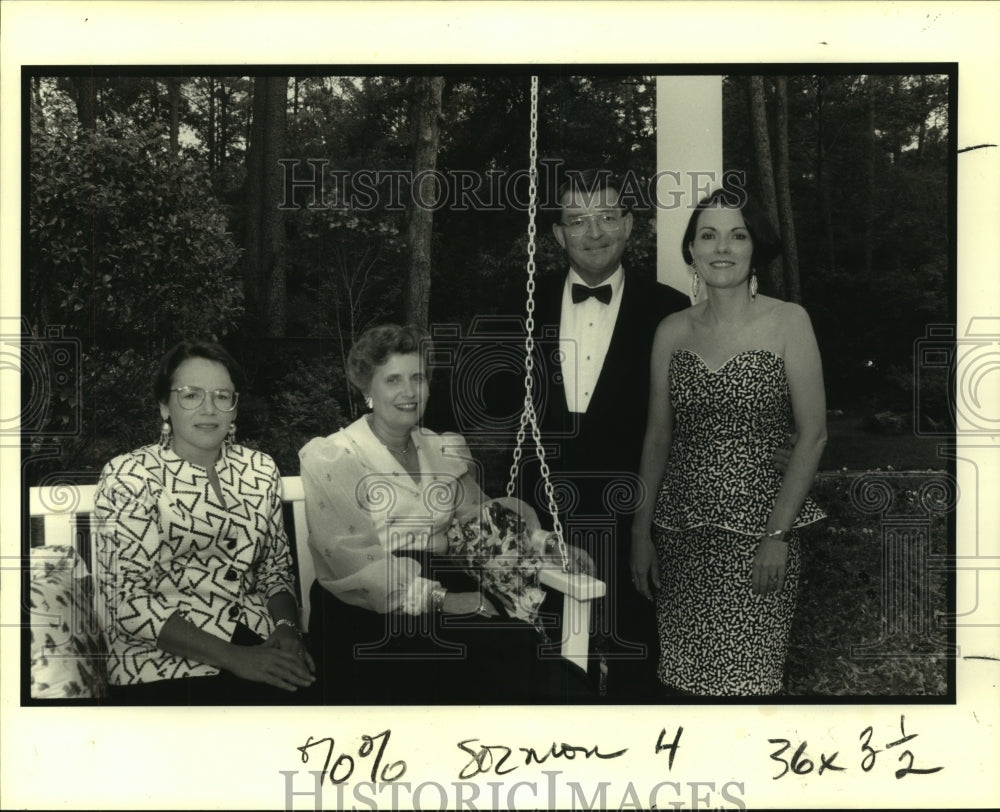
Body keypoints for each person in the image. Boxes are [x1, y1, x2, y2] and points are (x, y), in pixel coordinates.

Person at [299, 324, 594, 704]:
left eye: (417, 378)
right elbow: (348, 560)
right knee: (505, 651)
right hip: (370, 607)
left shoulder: (442, 448)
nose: (408, 392)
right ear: (366, 388)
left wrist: (550, 546)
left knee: (516, 647)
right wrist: (445, 600)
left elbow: (481, 520)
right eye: (392, 380)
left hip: (440, 584)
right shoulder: (335, 456)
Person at [494, 168, 690, 701]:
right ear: (558, 234)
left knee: (638, 664)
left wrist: (650, 526)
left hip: (636, 519)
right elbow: (489, 418)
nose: (594, 231)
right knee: (538, 665)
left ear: (629, 225)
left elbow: (683, 426)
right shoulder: (516, 305)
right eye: (577, 220)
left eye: (607, 216)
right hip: (539, 521)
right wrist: (505, 508)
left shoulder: (671, 311)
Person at [630, 188, 827, 696]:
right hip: (680, 537)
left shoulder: (790, 321)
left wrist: (776, 538)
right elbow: (657, 437)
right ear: (691, 250)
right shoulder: (671, 331)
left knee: (750, 689)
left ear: (754, 247)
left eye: (737, 235)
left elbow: (813, 435)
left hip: (763, 536)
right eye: (708, 235)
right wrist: (640, 533)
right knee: (680, 685)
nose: (723, 247)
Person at [93, 340, 316, 704]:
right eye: (191, 395)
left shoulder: (259, 469)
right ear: (165, 406)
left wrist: (287, 629)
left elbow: (275, 568)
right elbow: (128, 603)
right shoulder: (130, 475)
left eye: (222, 396)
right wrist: (238, 659)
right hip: (158, 660)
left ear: (234, 407)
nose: (209, 408)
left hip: (256, 638)